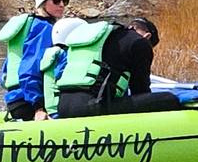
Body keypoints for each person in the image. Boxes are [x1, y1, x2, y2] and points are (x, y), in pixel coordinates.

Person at [49, 17, 183, 119]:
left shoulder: (103, 35)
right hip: (91, 108)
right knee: (168, 99)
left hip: (63, 108)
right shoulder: (141, 43)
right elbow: (140, 91)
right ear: (148, 37)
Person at [0, 0, 71, 121]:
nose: (62, 5)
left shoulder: (28, 24)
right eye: (56, 0)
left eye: (65, 1)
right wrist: (38, 107)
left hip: (16, 100)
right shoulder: (43, 28)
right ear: (43, 2)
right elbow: (29, 68)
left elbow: (5, 72)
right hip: (29, 102)